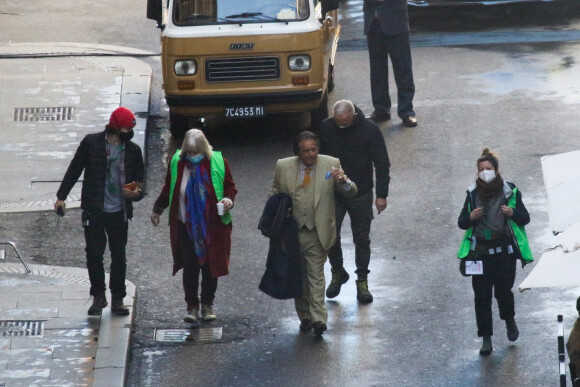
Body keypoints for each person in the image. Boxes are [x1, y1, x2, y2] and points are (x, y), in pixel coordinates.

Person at [55, 107, 144, 316]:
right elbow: (74, 169)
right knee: (94, 255)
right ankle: (98, 297)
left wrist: (136, 193)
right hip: (94, 210)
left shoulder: (133, 151)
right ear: (115, 127)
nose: (129, 132)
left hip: (119, 212)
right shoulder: (91, 143)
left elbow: (140, 182)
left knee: (119, 256)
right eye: (126, 128)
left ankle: (118, 299)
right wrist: (61, 197)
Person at [271, 131, 357, 337]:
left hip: (317, 231)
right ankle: (305, 316)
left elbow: (351, 191)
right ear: (298, 152)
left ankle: (319, 319)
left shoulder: (330, 163)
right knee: (298, 275)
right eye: (306, 150)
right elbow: (274, 192)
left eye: (314, 149)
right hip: (292, 232)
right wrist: (278, 210)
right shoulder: (283, 166)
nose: (311, 154)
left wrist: (343, 180)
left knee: (316, 276)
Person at [150, 129, 237, 325]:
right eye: (188, 152)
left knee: (210, 266)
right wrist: (157, 209)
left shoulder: (218, 162)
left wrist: (228, 200)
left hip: (212, 226)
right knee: (189, 267)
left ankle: (207, 305)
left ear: (204, 150)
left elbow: (230, 187)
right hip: (185, 226)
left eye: (195, 152)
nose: (192, 156)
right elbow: (168, 188)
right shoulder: (177, 164)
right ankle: (192, 307)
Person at [457, 148, 533, 355]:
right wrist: (471, 217)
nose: (485, 173)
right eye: (481, 170)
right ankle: (486, 338)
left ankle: (509, 320)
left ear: (496, 170)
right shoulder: (472, 194)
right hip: (480, 253)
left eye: (488, 169)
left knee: (503, 292)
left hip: (503, 253)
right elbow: (462, 222)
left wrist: (512, 213)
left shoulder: (510, 191)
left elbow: (525, 218)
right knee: (481, 297)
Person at [319, 100, 390, 303]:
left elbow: (382, 162)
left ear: (353, 116)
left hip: (361, 194)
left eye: (345, 123)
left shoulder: (369, 130)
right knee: (330, 236)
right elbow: (317, 157)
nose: (341, 126)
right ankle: (338, 271)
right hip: (333, 193)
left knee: (361, 238)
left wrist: (382, 195)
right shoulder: (325, 127)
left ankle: (362, 280)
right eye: (338, 123)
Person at [363, 0, 417, 127]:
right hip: (373, 23)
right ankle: (381, 110)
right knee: (377, 71)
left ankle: (406, 112)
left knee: (403, 69)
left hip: (396, 21)